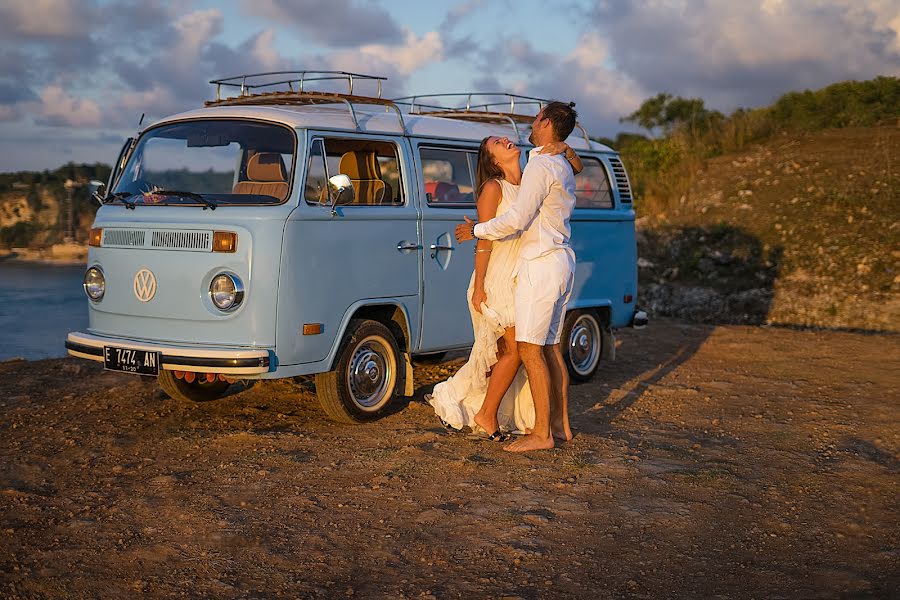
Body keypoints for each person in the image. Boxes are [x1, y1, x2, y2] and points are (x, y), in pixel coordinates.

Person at [426, 133, 583, 441]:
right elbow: (484, 241)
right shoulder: (493, 188)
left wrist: (564, 147)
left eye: (505, 138)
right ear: (493, 159)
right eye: (498, 143)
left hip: (524, 275)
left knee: (515, 352)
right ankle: (484, 411)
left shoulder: (532, 180)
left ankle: (497, 413)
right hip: (497, 277)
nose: (507, 141)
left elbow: (572, 169)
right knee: (513, 349)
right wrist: (480, 287)